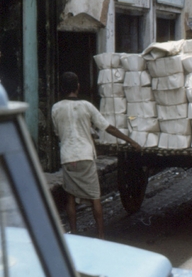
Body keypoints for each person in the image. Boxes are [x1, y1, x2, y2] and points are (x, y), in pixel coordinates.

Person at [52, 72, 140, 239]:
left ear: (62, 88)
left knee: (70, 196)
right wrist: (131, 141)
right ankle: (100, 235)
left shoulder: (55, 108)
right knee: (95, 197)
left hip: (68, 157)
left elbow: (58, 132)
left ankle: (74, 233)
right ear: (78, 86)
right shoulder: (86, 106)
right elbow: (108, 128)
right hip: (85, 155)